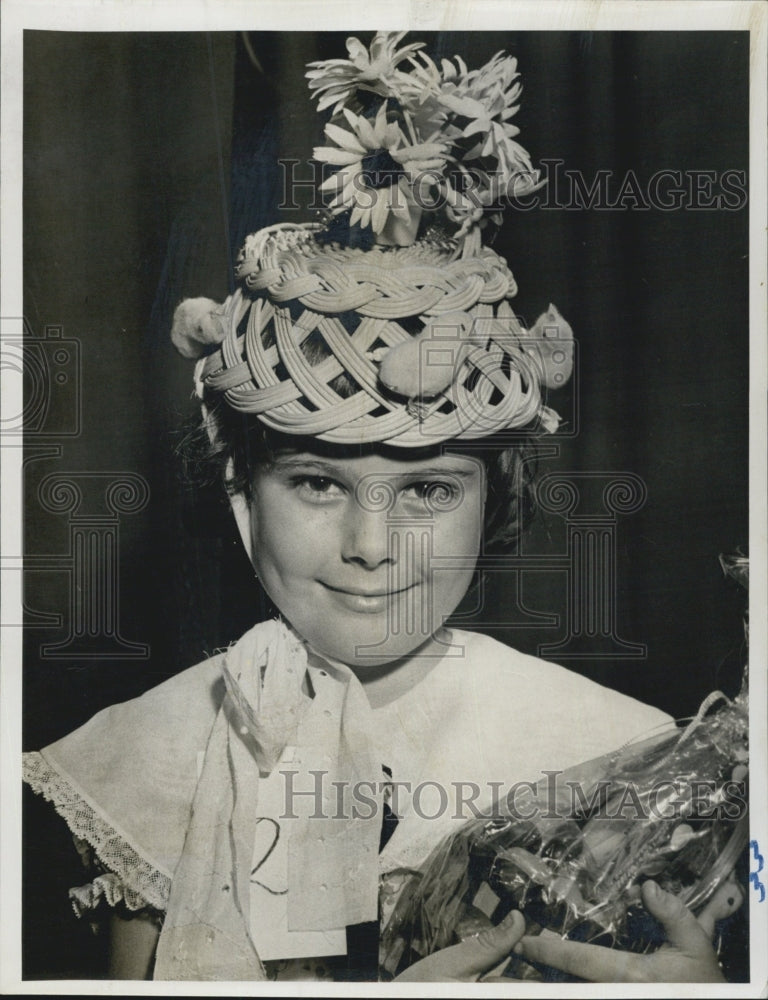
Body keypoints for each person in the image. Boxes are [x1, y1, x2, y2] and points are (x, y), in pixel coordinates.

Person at [22, 31, 741, 984]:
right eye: (317, 482)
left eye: (429, 489)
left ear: (496, 498)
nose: (371, 547)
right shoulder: (155, 751)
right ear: (240, 487)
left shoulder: (619, 754)